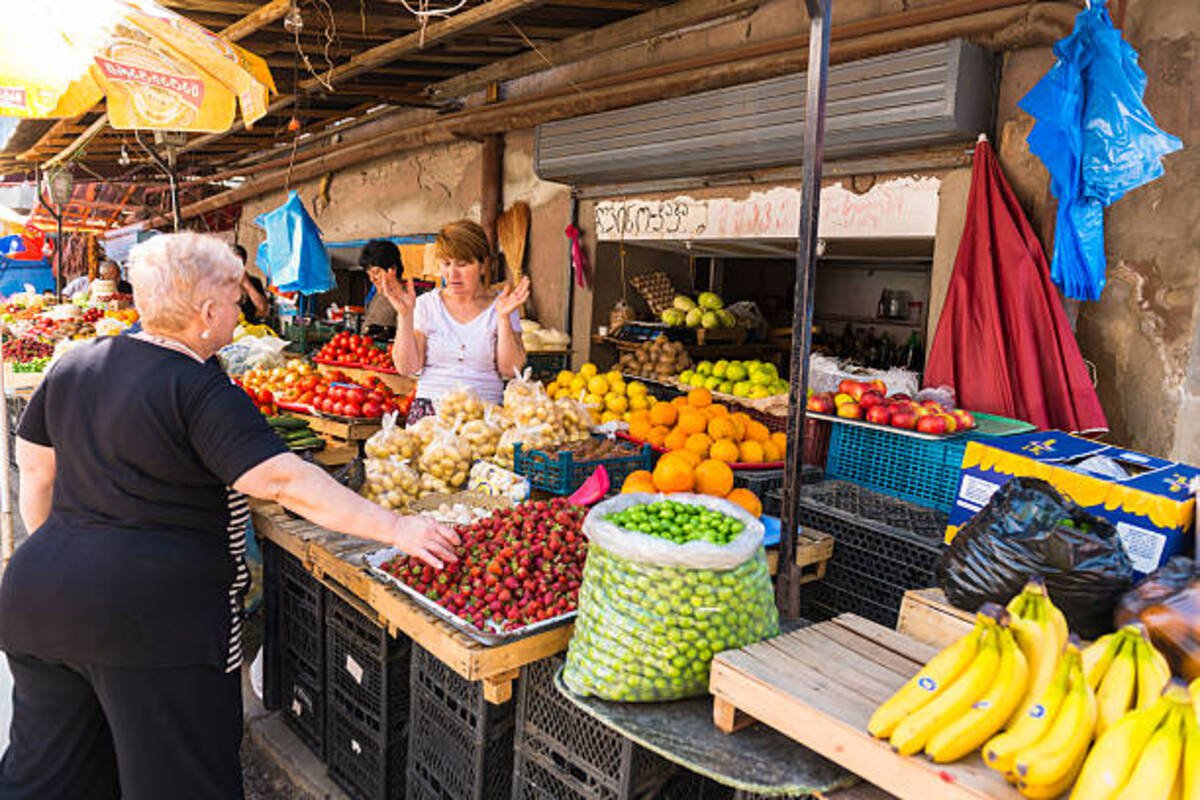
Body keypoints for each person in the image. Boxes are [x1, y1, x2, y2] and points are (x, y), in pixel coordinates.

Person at [0, 233, 459, 800]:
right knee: (179, 780)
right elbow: (282, 479)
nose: (241, 309)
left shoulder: (76, 365)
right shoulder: (199, 387)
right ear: (207, 312)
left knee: (49, 778)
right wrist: (397, 527)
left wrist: (69, 559)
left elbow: (35, 469)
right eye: (234, 298)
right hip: (154, 621)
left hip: (39, 600)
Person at [379, 220, 529, 421]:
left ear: (483, 265)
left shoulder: (503, 306)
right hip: (431, 411)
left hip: (485, 415)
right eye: (446, 263)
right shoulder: (427, 305)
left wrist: (503, 318)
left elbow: (510, 370)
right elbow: (407, 368)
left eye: (462, 264)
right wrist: (405, 316)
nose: (452, 274)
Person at [360, 239, 402, 335]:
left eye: (376, 272)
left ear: (393, 269)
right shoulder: (378, 295)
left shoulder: (405, 299)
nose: (372, 279)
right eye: (369, 274)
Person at [232, 244, 270, 324]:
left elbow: (263, 309)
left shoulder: (253, 282)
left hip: (249, 330)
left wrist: (247, 284)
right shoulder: (218, 283)